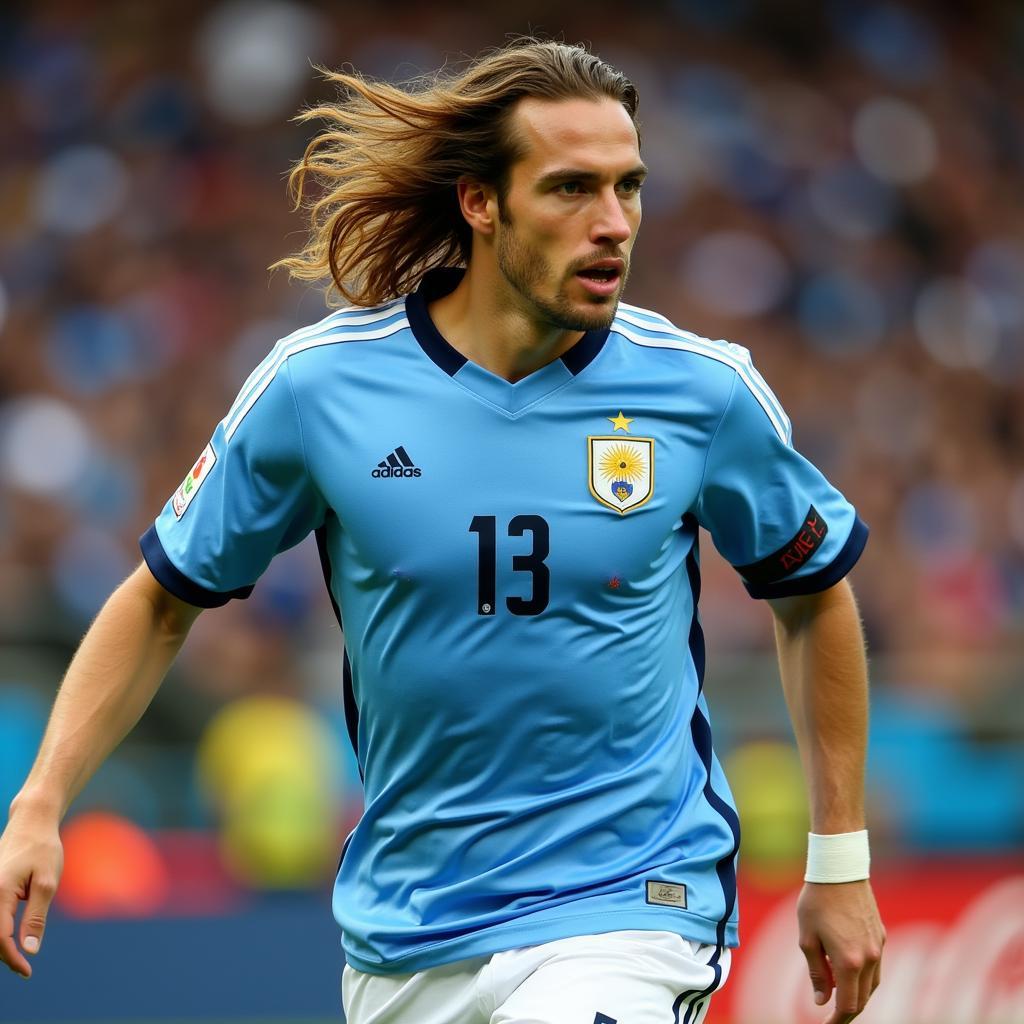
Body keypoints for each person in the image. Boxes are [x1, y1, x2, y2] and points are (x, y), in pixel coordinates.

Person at [0, 38, 884, 1024]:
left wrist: (838, 860)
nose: (611, 225)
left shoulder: (701, 392)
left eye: (628, 188)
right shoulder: (319, 387)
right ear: (480, 201)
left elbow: (815, 599)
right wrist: (39, 802)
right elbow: (162, 602)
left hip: (631, 902)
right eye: (570, 190)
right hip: (408, 931)